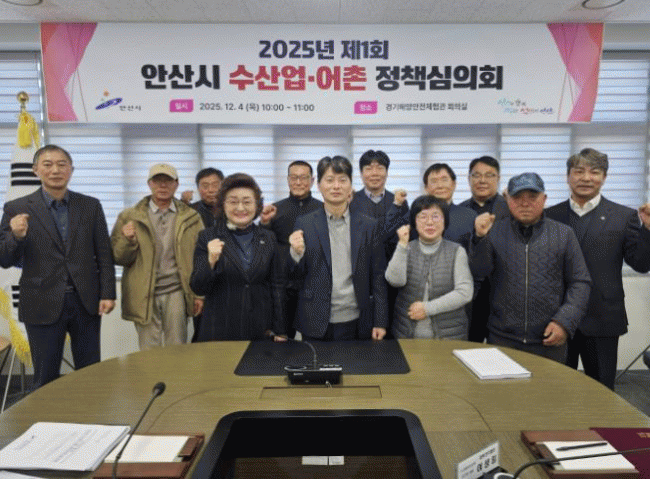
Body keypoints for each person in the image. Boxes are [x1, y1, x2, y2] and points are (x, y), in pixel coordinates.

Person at [0, 144, 116, 387]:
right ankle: (47, 413)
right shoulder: (16, 208)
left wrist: (107, 293)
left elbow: (104, 253)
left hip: (85, 301)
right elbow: (4, 258)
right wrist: (16, 236)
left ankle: (89, 410)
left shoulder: (90, 206)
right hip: (40, 301)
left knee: (90, 372)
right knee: (45, 376)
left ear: (71, 170)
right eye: (48, 164)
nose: (55, 170)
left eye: (62, 164)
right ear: (35, 170)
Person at [546, 148, 650, 389]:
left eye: (594, 172)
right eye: (578, 171)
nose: (586, 178)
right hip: (558, 317)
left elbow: (641, 264)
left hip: (602, 317)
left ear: (604, 177)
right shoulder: (550, 216)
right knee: (555, 388)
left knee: (602, 390)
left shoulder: (624, 216)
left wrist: (647, 230)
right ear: (568, 176)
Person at [470, 172, 591, 362]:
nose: (525, 203)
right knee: (502, 383)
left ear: (544, 199)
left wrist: (564, 322)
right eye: (517, 197)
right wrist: (480, 239)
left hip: (549, 339)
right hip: (502, 338)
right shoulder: (494, 231)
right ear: (508, 200)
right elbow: (479, 272)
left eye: (532, 197)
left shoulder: (563, 234)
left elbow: (580, 282)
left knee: (549, 383)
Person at [288, 155, 388, 341]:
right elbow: (295, 278)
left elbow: (378, 277)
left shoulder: (369, 225)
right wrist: (295, 254)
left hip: (357, 320)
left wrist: (380, 321)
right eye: (329, 180)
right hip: (314, 319)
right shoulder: (305, 223)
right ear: (319, 185)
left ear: (350, 185)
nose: (336, 186)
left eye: (342, 180)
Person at [111, 163, 203, 350]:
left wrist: (198, 295)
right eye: (157, 181)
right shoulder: (130, 216)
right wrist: (128, 240)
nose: (162, 185)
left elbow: (200, 257)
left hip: (177, 291)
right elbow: (118, 257)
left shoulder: (191, 217)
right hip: (143, 292)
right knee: (148, 351)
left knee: (177, 349)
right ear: (149, 184)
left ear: (176, 184)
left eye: (168, 181)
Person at [190, 173, 286, 341]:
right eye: (233, 202)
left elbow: (277, 286)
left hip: (259, 328)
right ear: (222, 205)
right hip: (219, 329)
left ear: (257, 205)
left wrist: (280, 329)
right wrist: (211, 261)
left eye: (247, 202)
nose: (240, 208)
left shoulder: (268, 237)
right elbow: (198, 287)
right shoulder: (208, 236)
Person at [385, 195, 473, 339]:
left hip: (449, 336)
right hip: (406, 335)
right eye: (423, 217)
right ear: (414, 221)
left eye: (436, 216)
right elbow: (395, 281)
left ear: (445, 221)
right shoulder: (406, 248)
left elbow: (465, 292)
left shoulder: (457, 251)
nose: (430, 222)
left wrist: (427, 308)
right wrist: (401, 245)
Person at [259, 160, 322, 338]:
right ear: (288, 180)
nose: (298, 182)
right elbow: (264, 245)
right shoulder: (275, 209)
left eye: (303, 178)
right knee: (283, 339)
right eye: (294, 178)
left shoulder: (322, 209)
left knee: (315, 338)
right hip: (283, 285)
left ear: (312, 180)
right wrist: (264, 222)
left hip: (313, 284)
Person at [459, 156, 509, 343]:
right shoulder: (459, 211)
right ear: (469, 179)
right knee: (469, 348)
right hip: (470, 295)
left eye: (489, 175)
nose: (482, 180)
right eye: (476, 175)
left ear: (498, 178)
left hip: (503, 292)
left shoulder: (511, 209)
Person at [423, 163, 476, 250]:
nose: (440, 186)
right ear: (426, 188)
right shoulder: (416, 217)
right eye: (434, 181)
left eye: (444, 180)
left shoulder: (470, 216)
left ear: (454, 184)